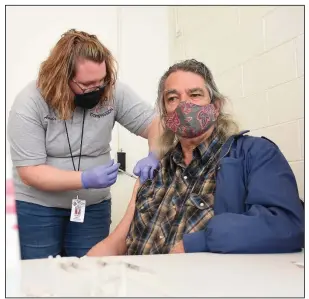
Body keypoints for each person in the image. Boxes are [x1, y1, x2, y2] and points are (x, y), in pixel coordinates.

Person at [87, 59, 304, 256]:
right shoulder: (155, 171)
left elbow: (288, 224)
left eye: (195, 94)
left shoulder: (253, 155)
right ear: (165, 114)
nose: (184, 105)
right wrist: (79, 269)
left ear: (215, 107)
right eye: (173, 98)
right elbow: (117, 242)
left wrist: (198, 242)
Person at [7, 29, 161, 260]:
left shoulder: (111, 91)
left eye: (102, 80)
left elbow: (155, 125)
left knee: (90, 276)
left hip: (92, 208)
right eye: (88, 84)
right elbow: (30, 172)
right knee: (40, 279)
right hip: (37, 208)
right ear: (61, 77)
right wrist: (85, 179)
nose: (97, 89)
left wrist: (154, 155)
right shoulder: (29, 103)